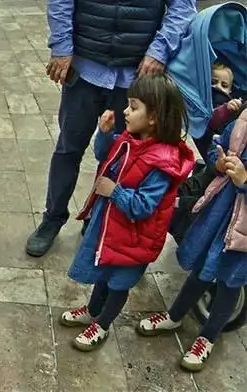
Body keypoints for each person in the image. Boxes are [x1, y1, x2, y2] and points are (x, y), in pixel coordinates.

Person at [26, 0, 200, 258]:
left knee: (123, 158)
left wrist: (160, 50)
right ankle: (52, 218)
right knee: (69, 146)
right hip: (85, 68)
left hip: (137, 77)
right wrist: (62, 47)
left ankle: (101, 223)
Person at [59, 75, 194, 351]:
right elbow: (103, 155)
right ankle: (92, 310)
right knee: (104, 274)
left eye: (133, 107)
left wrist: (114, 192)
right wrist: (106, 134)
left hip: (134, 237)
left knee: (118, 285)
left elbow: (145, 205)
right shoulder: (130, 139)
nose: (125, 112)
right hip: (114, 228)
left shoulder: (162, 162)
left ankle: (103, 324)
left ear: (154, 117)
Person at [135, 106, 247, 372]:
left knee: (230, 282)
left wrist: (245, 180)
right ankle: (174, 315)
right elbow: (216, 145)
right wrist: (218, 163)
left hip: (243, 227)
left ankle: (207, 338)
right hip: (220, 210)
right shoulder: (241, 122)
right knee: (200, 269)